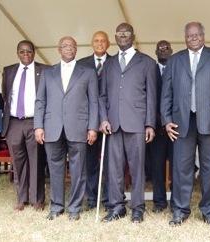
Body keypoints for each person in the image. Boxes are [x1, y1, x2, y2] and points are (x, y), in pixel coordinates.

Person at [161, 21, 210, 227]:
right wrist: (166, 120)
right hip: (181, 121)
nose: (193, 38)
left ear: (203, 35)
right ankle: (180, 211)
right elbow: (166, 93)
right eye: (189, 35)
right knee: (181, 168)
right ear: (185, 38)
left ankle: (209, 212)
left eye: (197, 34)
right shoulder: (175, 60)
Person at [34, 36, 99, 221]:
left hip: (79, 127)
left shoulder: (88, 72)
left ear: (76, 49)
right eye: (65, 46)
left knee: (79, 169)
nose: (68, 48)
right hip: (52, 127)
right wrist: (38, 126)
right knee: (55, 169)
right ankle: (56, 206)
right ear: (58, 49)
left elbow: (94, 102)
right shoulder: (48, 73)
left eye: (72, 46)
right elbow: (40, 101)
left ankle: (75, 208)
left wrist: (93, 127)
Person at [99, 23, 157, 223]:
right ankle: (116, 207)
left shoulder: (147, 63)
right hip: (113, 124)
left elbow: (152, 96)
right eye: (119, 33)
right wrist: (103, 118)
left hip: (137, 124)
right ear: (115, 37)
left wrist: (150, 124)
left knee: (137, 168)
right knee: (114, 168)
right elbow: (102, 95)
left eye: (126, 33)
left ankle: (137, 208)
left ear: (133, 36)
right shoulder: (109, 63)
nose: (123, 36)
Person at [1, 40, 48, 211]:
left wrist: (41, 124)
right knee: (18, 162)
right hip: (13, 122)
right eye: (22, 51)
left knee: (36, 161)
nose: (26, 54)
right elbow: (7, 96)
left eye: (29, 51)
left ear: (34, 52)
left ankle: (37, 199)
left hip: (34, 121)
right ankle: (21, 199)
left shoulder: (44, 70)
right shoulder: (8, 71)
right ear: (17, 53)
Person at [78, 31, 111, 210]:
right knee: (89, 162)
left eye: (103, 41)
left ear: (108, 44)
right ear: (91, 43)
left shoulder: (115, 63)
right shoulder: (81, 64)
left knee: (109, 163)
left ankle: (107, 199)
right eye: (96, 40)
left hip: (109, 121)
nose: (99, 43)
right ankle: (92, 198)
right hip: (88, 121)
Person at [145, 40, 174, 213]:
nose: (163, 51)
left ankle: (177, 201)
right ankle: (159, 202)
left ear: (171, 51)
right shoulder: (150, 70)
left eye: (166, 48)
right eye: (160, 49)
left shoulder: (178, 68)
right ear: (155, 52)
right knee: (156, 166)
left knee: (177, 167)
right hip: (155, 128)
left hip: (175, 128)